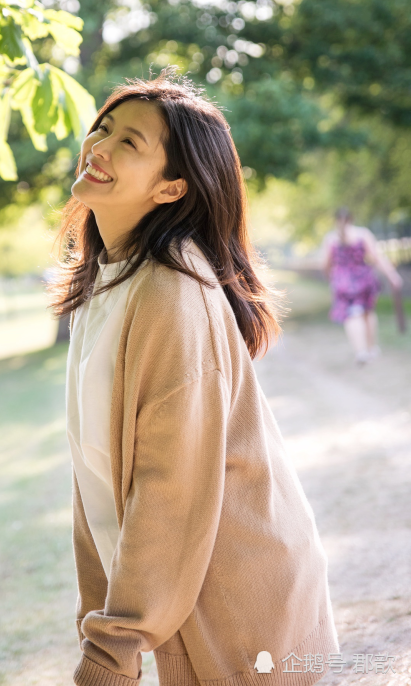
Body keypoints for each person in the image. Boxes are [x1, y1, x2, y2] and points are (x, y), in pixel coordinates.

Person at [48, 70, 340, 686]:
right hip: (199, 593)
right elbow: (98, 475)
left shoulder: (170, 295)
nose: (98, 147)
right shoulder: (111, 281)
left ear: (172, 187)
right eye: (102, 128)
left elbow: (167, 486)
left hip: (241, 604)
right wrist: (98, 620)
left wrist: (112, 650)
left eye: (129, 143)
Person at [322, 207, 404, 365]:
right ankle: (371, 348)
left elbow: (325, 265)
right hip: (364, 279)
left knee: (352, 315)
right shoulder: (362, 234)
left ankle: (361, 352)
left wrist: (331, 278)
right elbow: (377, 257)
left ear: (336, 220)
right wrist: (392, 276)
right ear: (351, 218)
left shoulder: (330, 238)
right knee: (368, 313)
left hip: (343, 282)